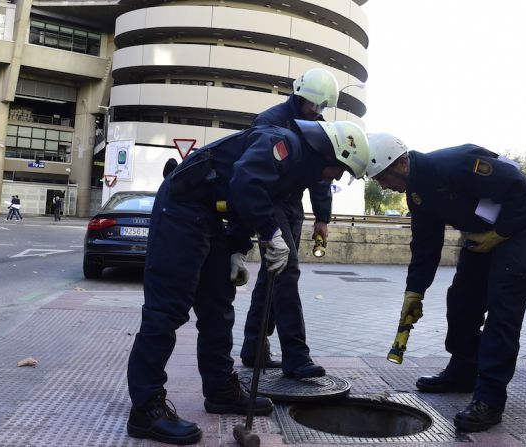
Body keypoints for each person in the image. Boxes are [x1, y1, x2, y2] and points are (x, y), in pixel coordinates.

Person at [126, 120, 369, 445]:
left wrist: (237, 251)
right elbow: (245, 183)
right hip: (181, 208)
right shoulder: (283, 145)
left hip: (208, 215)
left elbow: (244, 202)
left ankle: (219, 390)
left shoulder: (296, 169)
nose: (338, 177)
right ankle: (145, 409)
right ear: (328, 154)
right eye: (340, 169)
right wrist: (270, 233)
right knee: (167, 309)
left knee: (217, 306)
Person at [366, 133, 526, 432]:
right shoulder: (416, 193)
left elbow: (518, 186)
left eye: (382, 177)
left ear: (400, 163)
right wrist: (414, 293)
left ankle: (489, 399)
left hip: (520, 228)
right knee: (461, 302)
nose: (383, 185)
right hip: (482, 233)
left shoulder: (452, 165)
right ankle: (463, 371)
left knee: (503, 313)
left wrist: (500, 232)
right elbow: (425, 246)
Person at [240, 67, 339, 377]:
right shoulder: (269, 121)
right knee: (286, 271)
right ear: (300, 95)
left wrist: (322, 218)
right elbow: (253, 175)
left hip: (292, 206)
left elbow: (321, 179)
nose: (317, 112)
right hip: (270, 202)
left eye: (322, 107)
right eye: (314, 105)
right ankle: (296, 356)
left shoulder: (317, 126)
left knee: (272, 277)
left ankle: (254, 349)